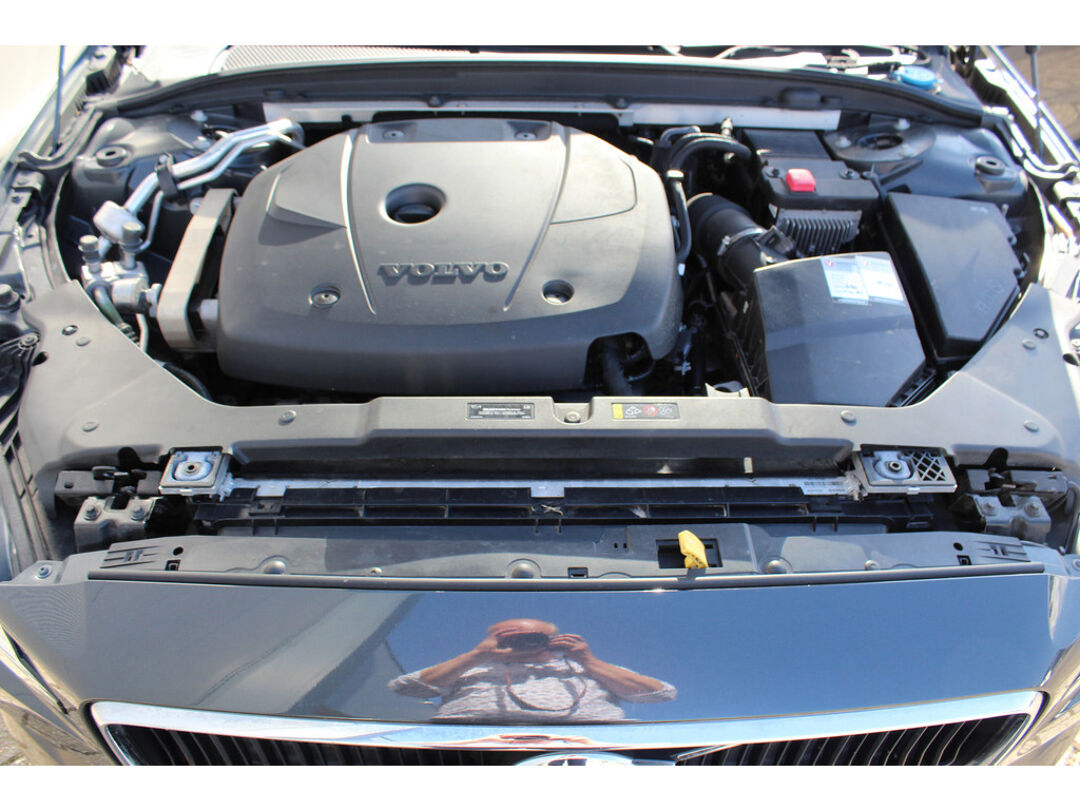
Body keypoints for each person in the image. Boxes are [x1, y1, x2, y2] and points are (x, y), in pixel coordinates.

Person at [388, 618, 676, 722]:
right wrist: (475, 656)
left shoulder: (585, 666)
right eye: (510, 638)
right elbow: (404, 688)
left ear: (553, 639)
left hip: (592, 751)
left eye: (533, 637)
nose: (523, 643)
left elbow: (662, 694)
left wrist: (589, 661)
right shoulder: (469, 667)